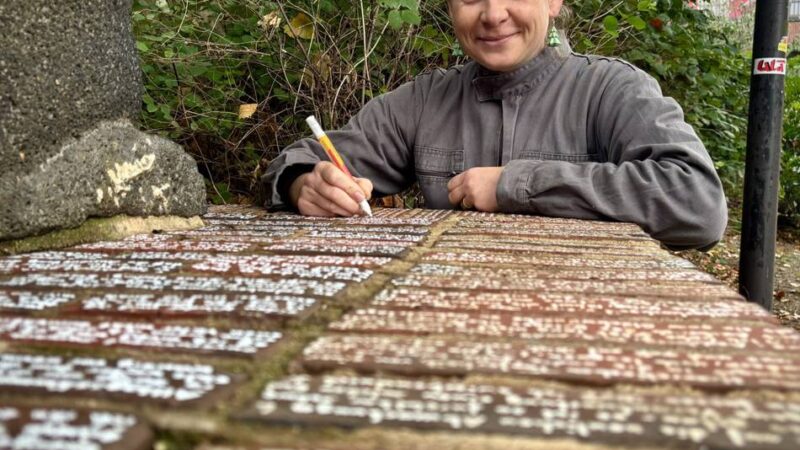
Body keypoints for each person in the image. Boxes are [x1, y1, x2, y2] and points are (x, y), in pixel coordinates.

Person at [261, 0, 727, 250]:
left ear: (554, 2)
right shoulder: (424, 100)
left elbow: (697, 205)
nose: (492, 13)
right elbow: (308, 157)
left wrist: (518, 185)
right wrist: (305, 184)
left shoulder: (611, 89)